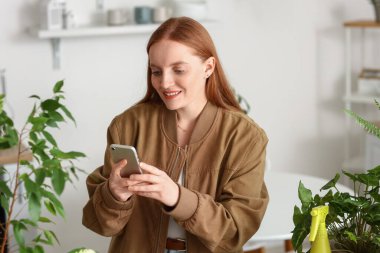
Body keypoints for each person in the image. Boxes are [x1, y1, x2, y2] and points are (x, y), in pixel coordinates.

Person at [82, 16, 269, 253]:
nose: (165, 83)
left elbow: (235, 232)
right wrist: (115, 194)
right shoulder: (127, 125)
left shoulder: (245, 136)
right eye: (156, 71)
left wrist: (177, 197)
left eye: (178, 69)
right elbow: (104, 225)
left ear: (208, 67)